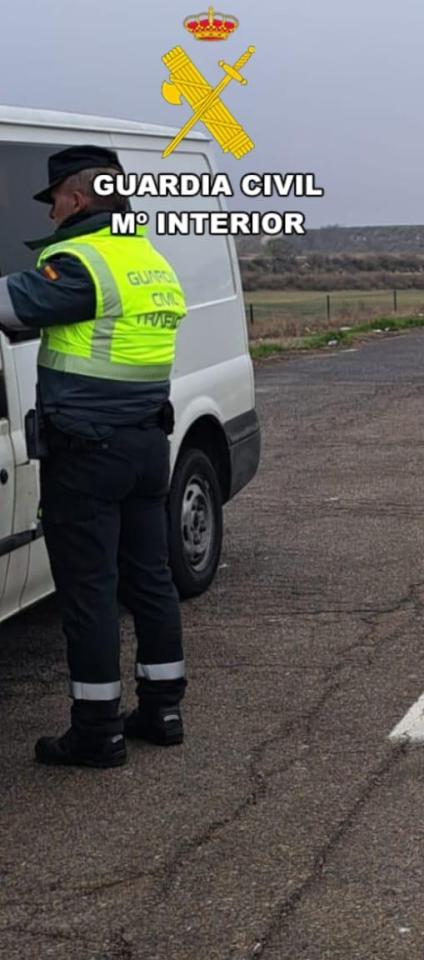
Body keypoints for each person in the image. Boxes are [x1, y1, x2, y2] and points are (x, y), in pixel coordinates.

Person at [0, 146, 188, 768]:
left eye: (53, 199)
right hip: (144, 444)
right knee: (151, 579)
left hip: (88, 452)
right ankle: (163, 711)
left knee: (89, 592)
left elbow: (10, 307)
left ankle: (96, 732)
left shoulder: (81, 261)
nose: (51, 213)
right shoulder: (146, 255)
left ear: (76, 199)